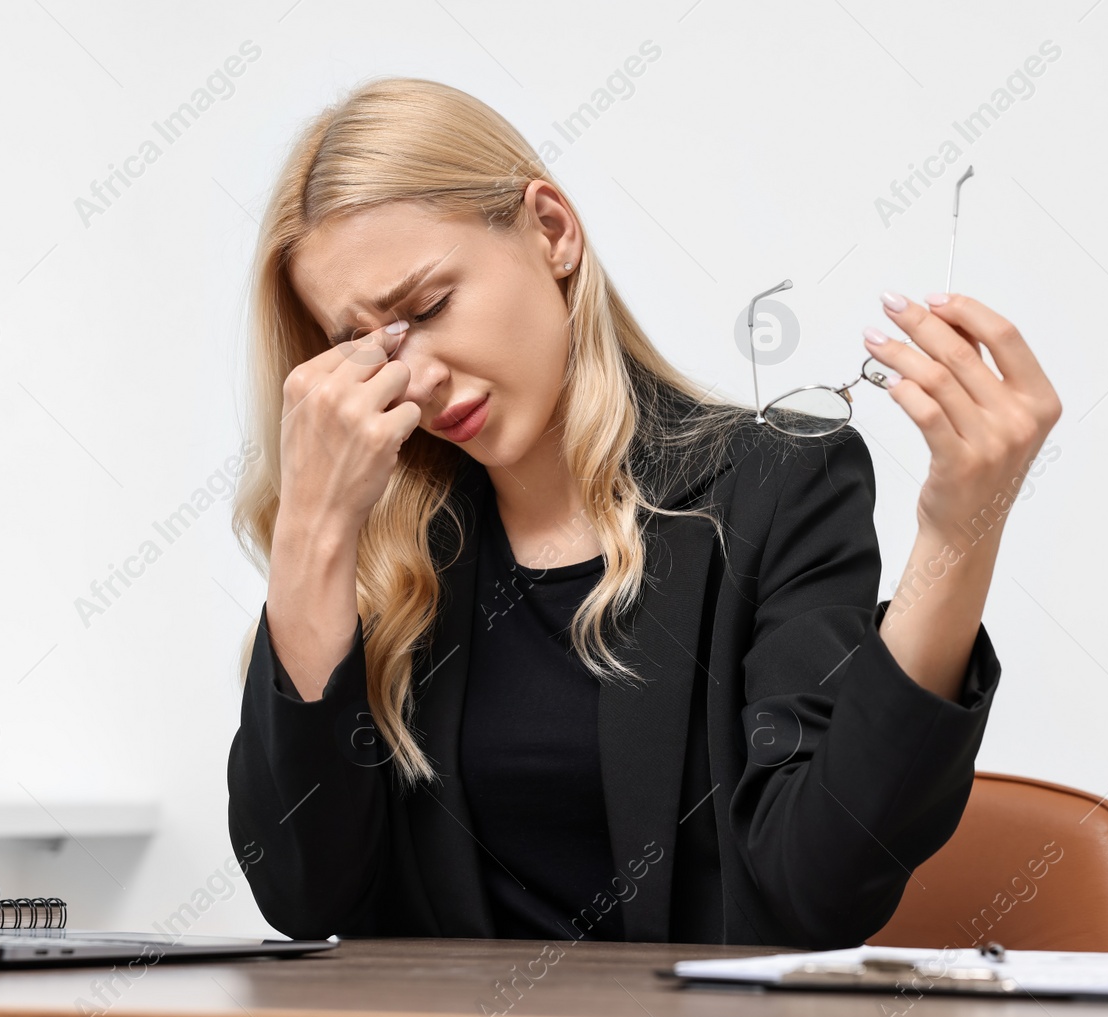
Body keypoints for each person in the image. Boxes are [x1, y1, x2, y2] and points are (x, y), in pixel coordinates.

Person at [226, 76, 1061, 949]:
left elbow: (817, 888)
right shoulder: (390, 547)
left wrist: (960, 535)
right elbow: (302, 896)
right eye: (362, 346)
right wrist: (313, 531)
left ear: (552, 230)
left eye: (430, 307)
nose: (417, 377)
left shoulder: (774, 488)